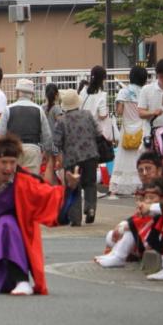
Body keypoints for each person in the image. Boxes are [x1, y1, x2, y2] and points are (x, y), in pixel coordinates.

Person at [0, 135, 80, 295]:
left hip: (17, 234)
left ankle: (22, 280)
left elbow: (49, 194)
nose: (8, 167)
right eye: (4, 162)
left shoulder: (25, 181)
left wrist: (70, 188)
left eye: (12, 162)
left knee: (6, 223)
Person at [53, 89, 100, 225]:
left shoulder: (61, 121)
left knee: (73, 187)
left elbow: (56, 142)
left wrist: (58, 156)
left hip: (72, 159)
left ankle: (76, 219)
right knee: (90, 183)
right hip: (91, 155)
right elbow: (98, 132)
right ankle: (90, 208)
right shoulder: (87, 115)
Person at [94, 180, 163, 269]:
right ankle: (114, 253)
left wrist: (125, 227)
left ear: (162, 199)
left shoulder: (157, 212)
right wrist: (123, 225)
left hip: (149, 244)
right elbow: (134, 220)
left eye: (152, 198)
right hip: (140, 242)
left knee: (129, 233)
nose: (148, 201)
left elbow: (136, 225)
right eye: (146, 198)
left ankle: (119, 257)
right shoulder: (147, 210)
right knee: (110, 235)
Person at [0, 78, 54, 174]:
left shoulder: (8, 109)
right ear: (32, 94)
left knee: (14, 181)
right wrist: (47, 153)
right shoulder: (39, 110)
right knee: (31, 182)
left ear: (17, 92)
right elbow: (47, 136)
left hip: (13, 150)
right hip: (33, 150)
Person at [112, 66, 148, 196]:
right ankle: (141, 184)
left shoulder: (124, 92)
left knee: (123, 158)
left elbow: (119, 112)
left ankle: (119, 186)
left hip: (127, 130)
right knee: (140, 159)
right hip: (141, 130)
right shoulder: (145, 91)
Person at [138, 59, 163, 154]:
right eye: (162, 77)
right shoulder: (147, 90)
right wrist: (153, 113)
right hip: (151, 134)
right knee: (152, 163)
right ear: (157, 75)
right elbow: (140, 113)